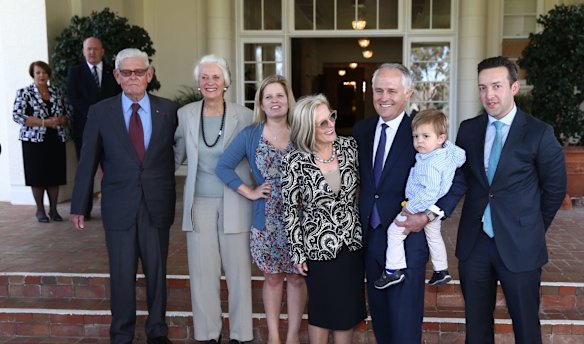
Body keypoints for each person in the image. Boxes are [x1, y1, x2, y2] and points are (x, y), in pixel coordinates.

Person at [451, 56, 566, 343]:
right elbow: (461, 178)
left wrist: (532, 227)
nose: (489, 95)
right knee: (476, 328)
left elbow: (555, 188)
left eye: (497, 86)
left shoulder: (539, 132)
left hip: (521, 244)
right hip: (474, 243)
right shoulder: (468, 130)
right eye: (482, 88)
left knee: (526, 327)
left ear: (514, 87)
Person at [70, 48, 177, 344]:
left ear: (150, 74)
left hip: (157, 204)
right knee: (121, 275)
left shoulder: (168, 111)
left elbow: (181, 154)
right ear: (116, 76)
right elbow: (87, 161)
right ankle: (121, 334)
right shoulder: (101, 111)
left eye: (139, 72)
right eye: (126, 72)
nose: (133, 78)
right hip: (118, 207)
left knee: (157, 274)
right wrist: (79, 205)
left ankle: (157, 332)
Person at [353, 63, 462, 343]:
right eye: (379, 90)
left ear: (408, 93)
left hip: (407, 236)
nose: (384, 97)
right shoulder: (362, 130)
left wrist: (428, 216)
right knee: (381, 318)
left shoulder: (422, 131)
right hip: (371, 237)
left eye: (392, 90)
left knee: (404, 321)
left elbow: (459, 179)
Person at [215, 75, 307, 344]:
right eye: (269, 97)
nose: (275, 101)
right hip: (265, 219)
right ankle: (274, 337)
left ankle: (292, 337)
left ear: (288, 101)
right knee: (273, 278)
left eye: (279, 95)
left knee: (297, 278)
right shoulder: (251, 134)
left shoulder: (303, 131)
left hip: (300, 220)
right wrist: (250, 192)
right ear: (261, 104)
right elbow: (222, 167)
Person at [174, 54, 254, 344]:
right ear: (198, 83)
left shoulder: (244, 116)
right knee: (202, 273)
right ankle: (208, 334)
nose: (210, 82)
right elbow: (176, 155)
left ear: (225, 82)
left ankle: (241, 334)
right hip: (199, 203)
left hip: (236, 201)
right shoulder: (185, 115)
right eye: (205, 77)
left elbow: (255, 158)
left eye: (215, 77)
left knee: (238, 273)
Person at [281, 94, 366, 344]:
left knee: (347, 313)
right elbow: (290, 210)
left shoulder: (349, 147)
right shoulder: (294, 161)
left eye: (331, 117)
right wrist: (297, 252)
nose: (331, 125)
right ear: (307, 128)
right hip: (317, 248)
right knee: (321, 311)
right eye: (322, 123)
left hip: (351, 244)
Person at [374, 109, 466, 289]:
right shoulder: (446, 154)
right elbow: (461, 156)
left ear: (440, 138)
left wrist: (410, 207)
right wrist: (447, 144)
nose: (419, 141)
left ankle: (393, 270)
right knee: (434, 236)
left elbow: (429, 192)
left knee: (394, 232)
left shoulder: (430, 163)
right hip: (433, 208)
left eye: (425, 136)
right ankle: (441, 270)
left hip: (421, 205)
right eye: (416, 136)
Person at [67, 36, 121, 219]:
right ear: (83, 51)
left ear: (102, 51)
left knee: (112, 166)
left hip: (111, 126)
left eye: (95, 49)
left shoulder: (112, 72)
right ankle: (84, 208)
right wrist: (95, 114)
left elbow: (118, 96)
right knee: (86, 167)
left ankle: (112, 203)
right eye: (88, 49)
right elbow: (73, 98)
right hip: (85, 127)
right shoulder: (75, 72)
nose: (92, 52)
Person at [12, 61, 70, 223]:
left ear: (48, 74)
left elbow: (67, 114)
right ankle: (40, 210)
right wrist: (43, 123)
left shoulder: (57, 92)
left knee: (54, 175)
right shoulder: (24, 93)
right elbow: (17, 116)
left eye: (44, 73)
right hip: (34, 141)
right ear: (33, 75)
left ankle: (54, 210)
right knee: (37, 176)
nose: (41, 76)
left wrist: (60, 120)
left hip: (55, 139)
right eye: (38, 73)